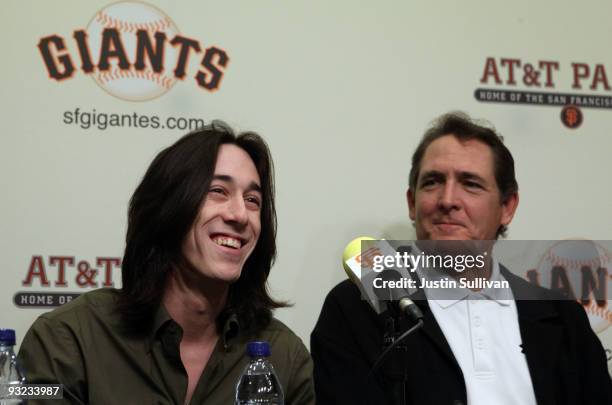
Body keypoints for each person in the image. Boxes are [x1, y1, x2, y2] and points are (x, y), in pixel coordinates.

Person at [311, 112, 611, 405]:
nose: (448, 200)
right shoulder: (358, 308)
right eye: (432, 182)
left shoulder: (562, 317)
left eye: (471, 184)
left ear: (507, 206)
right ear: (411, 202)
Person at [19, 122, 315, 404]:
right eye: (218, 191)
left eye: (253, 200)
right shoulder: (67, 340)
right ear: (169, 207)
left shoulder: (284, 357)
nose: (240, 214)